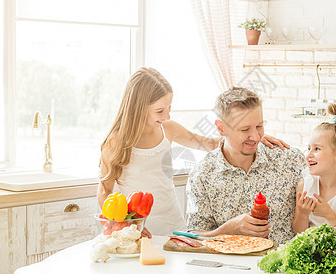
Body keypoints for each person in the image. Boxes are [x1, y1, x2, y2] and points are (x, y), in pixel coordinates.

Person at [97, 67, 288, 237]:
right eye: (160, 111)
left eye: (169, 108)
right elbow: (105, 190)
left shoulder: (168, 128)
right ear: (138, 108)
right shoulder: (116, 142)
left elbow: (209, 143)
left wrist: (250, 137)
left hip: (171, 220)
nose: (167, 115)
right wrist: (124, 224)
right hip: (134, 226)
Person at [186, 87, 336, 245]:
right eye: (245, 129)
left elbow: (335, 177)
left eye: (259, 126)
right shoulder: (202, 175)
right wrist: (227, 229)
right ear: (221, 128)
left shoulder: (289, 160)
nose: (255, 137)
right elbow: (191, 237)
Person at [292, 103, 336, 236]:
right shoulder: (305, 185)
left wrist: (328, 214)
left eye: (317, 149)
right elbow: (298, 231)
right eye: (309, 149)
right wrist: (302, 214)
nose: (308, 155)